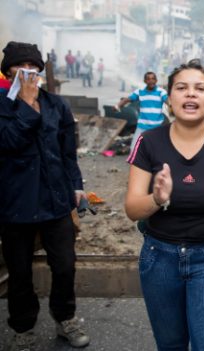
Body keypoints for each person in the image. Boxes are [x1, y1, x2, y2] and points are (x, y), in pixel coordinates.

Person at [125, 60, 204, 351]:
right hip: (159, 259)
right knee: (170, 344)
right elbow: (132, 209)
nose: (190, 94)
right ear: (169, 98)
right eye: (181, 88)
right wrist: (156, 198)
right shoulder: (148, 142)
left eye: (200, 88)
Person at [0, 41, 90, 350]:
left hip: (56, 202)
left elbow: (68, 153)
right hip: (15, 204)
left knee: (65, 265)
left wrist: (76, 187)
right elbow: (9, 142)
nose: (27, 72)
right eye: (19, 67)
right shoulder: (1, 105)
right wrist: (25, 103)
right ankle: (22, 328)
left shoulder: (56, 105)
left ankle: (65, 317)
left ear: (40, 70)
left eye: (32, 67)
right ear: (8, 71)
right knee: (20, 272)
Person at [116, 71, 168, 152]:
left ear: (156, 80)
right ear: (145, 81)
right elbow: (127, 99)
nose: (151, 81)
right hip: (142, 126)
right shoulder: (140, 91)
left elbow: (168, 101)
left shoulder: (161, 92)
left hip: (157, 127)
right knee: (134, 149)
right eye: (148, 79)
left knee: (157, 151)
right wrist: (118, 105)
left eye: (153, 79)